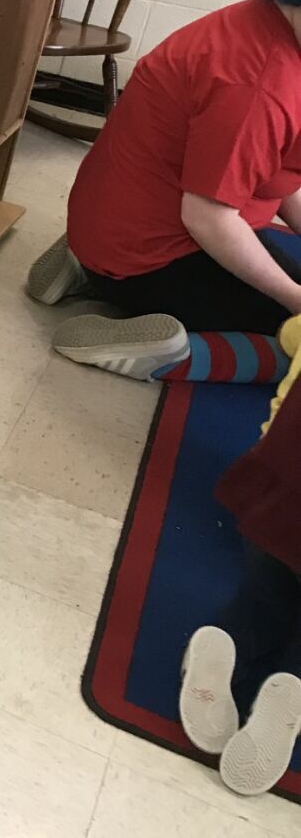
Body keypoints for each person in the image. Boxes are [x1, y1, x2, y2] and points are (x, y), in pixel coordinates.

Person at [29, 0, 301, 380]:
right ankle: (165, 350)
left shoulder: (268, 18)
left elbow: (283, 170)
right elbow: (208, 218)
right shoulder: (258, 86)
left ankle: (85, 264)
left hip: (122, 222)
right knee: (291, 340)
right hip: (152, 255)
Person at [180, 331, 301, 796]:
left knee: (264, 598)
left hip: (279, 493)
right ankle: (292, 683)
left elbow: (292, 335)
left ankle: (230, 635)